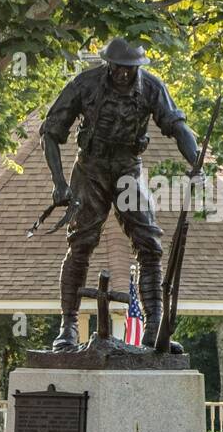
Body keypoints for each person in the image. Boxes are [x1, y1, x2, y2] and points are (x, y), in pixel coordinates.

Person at [40, 37, 199, 353]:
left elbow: (178, 126)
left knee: (149, 243)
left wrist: (196, 162)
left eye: (130, 69)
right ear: (108, 63)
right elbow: (50, 131)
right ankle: (68, 327)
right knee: (81, 242)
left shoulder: (152, 87)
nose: (124, 74)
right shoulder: (86, 83)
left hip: (129, 167)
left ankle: (154, 327)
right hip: (91, 166)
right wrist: (59, 182)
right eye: (118, 67)